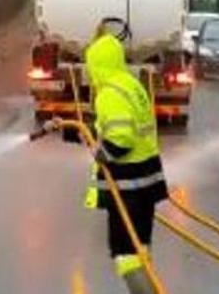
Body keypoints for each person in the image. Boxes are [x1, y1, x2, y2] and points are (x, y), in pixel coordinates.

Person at [83, 32, 168, 293]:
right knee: (141, 249)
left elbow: (120, 139)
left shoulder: (109, 93)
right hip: (146, 183)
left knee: (125, 255)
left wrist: (102, 154)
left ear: (97, 65)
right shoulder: (130, 84)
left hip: (127, 188)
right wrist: (85, 134)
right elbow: (120, 127)